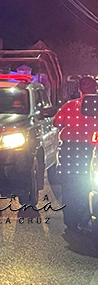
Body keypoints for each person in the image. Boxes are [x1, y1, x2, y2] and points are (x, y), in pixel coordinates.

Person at [53, 76, 98, 231]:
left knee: (69, 185)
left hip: (70, 150)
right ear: (95, 88)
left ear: (79, 89)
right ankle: (85, 218)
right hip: (90, 151)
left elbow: (56, 122)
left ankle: (71, 220)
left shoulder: (69, 105)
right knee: (86, 184)